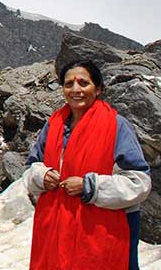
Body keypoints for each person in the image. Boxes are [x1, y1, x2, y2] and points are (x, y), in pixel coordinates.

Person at [24, 59, 151, 270]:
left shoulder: (116, 126)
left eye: (84, 83)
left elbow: (140, 182)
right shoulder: (54, 125)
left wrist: (90, 187)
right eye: (68, 84)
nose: (76, 89)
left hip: (104, 233)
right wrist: (41, 176)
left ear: (98, 88)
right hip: (57, 230)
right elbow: (31, 167)